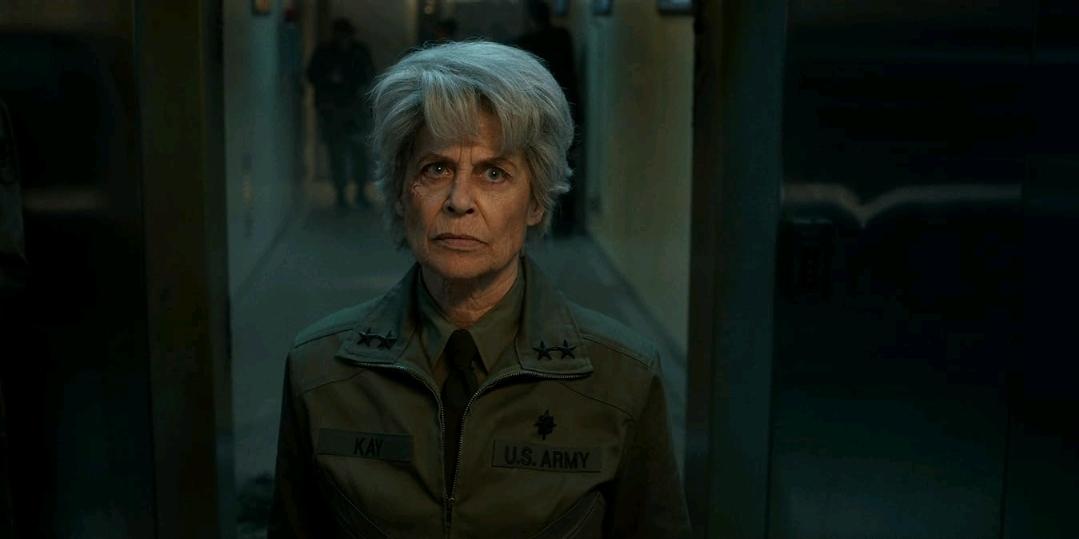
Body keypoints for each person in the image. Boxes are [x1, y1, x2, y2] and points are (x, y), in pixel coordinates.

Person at [269, 41, 690, 537]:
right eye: (436, 169)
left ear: (536, 201)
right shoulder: (319, 370)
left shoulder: (622, 380)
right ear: (402, 192)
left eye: (494, 173)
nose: (459, 201)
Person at [306, 18, 375, 209]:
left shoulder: (358, 51)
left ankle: (358, 192)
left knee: (357, 153)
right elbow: (312, 75)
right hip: (334, 109)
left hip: (353, 108)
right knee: (338, 154)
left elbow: (369, 75)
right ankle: (342, 194)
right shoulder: (326, 52)